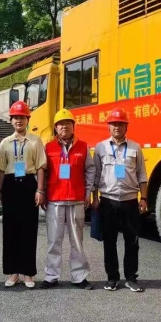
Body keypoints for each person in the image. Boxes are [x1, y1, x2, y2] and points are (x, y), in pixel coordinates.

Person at [92, 107, 148, 293]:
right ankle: (112, 278)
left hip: (130, 201)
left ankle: (131, 278)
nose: (117, 127)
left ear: (126, 127)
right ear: (108, 126)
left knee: (132, 242)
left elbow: (142, 175)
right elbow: (96, 175)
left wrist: (143, 198)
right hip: (108, 201)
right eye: (114, 124)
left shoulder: (135, 148)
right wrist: (94, 198)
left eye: (121, 124)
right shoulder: (100, 148)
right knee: (109, 242)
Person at [41, 108, 95, 290]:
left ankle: (79, 277)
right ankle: (51, 276)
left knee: (77, 241)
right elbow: (43, 173)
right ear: (55, 128)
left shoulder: (83, 147)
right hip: (55, 200)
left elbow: (90, 170)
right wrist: (42, 193)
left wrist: (88, 192)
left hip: (76, 199)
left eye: (67, 123)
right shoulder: (48, 148)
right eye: (60, 124)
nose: (64, 126)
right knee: (53, 241)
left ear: (73, 126)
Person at [0, 101, 47, 289]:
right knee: (10, 229)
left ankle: (28, 272)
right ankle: (13, 271)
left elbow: (40, 167)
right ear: (11, 120)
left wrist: (39, 190)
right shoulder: (5, 143)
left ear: (28, 120)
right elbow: (1, 170)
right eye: (16, 117)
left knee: (29, 229)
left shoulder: (35, 141)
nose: (19, 120)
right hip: (10, 185)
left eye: (22, 117)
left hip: (28, 185)